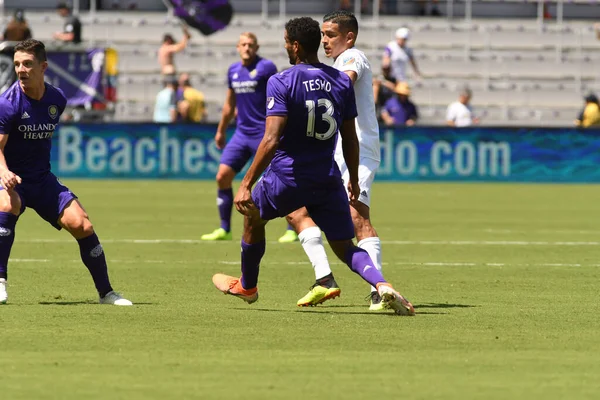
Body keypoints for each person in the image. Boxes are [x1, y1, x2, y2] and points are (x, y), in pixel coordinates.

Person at [211, 17, 414, 316]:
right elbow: (349, 138)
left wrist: (245, 184)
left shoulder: (281, 80)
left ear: (294, 45)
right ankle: (381, 284)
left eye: (285, 43)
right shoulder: (339, 82)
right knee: (345, 247)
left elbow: (271, 139)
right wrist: (354, 179)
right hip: (327, 176)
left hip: (287, 174)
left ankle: (248, 286)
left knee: (252, 218)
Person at [0, 39, 131, 305]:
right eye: (17, 64)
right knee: (7, 203)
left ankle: (106, 293)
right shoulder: (7, 103)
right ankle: (0, 282)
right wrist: (3, 172)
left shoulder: (57, 99)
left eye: (27, 63)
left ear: (43, 66)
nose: (21, 70)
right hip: (10, 176)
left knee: (82, 224)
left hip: (41, 179)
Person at [279, 10, 392, 311]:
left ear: (349, 37)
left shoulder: (353, 57)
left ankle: (378, 290)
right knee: (298, 208)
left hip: (360, 149)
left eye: (330, 35)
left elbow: (345, 81)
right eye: (324, 35)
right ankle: (324, 279)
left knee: (358, 217)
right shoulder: (335, 64)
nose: (325, 41)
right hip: (336, 150)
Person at [200, 33, 279, 241]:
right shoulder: (233, 71)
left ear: (257, 47)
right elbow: (229, 104)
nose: (247, 48)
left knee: (279, 181)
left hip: (264, 133)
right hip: (242, 133)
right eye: (243, 44)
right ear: (237, 47)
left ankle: (294, 229)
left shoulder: (266, 68)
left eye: (251, 45)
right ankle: (224, 229)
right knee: (222, 176)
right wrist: (221, 130)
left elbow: (278, 97)